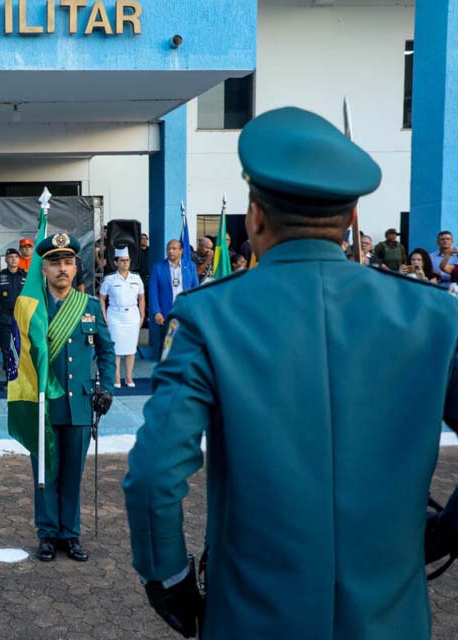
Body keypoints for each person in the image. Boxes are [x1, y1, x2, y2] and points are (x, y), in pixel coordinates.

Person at [122, 106, 458, 640]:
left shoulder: (210, 316)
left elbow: (154, 474)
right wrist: (443, 534)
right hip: (391, 620)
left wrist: (171, 583)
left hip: (251, 617)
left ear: (255, 217)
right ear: (352, 222)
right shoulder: (436, 315)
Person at [30, 232, 115, 563]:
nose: (62, 269)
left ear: (76, 268)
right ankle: (48, 534)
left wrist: (105, 387)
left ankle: (71, 534)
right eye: (55, 264)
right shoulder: (33, 310)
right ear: (44, 270)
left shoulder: (89, 307)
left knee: (71, 474)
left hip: (79, 404)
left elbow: (107, 350)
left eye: (67, 263)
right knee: (45, 475)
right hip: (43, 405)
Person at [99, 247, 145, 388]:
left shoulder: (136, 278)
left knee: (131, 350)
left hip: (132, 314)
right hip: (115, 315)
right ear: (116, 262)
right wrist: (104, 316)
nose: (125, 263)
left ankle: (129, 377)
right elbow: (101, 298)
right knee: (116, 350)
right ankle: (117, 378)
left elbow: (141, 298)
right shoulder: (109, 279)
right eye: (122, 260)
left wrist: (142, 315)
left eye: (127, 260)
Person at [148, 239, 199, 357]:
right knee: (166, 346)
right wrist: (157, 312)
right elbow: (153, 292)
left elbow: (195, 289)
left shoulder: (190, 266)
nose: (170, 251)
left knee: (185, 344)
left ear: (181, 251)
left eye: (174, 248)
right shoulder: (158, 267)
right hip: (166, 313)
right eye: (169, 248)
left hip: (185, 312)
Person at [0, 248, 27, 390]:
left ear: (19, 259)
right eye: (10, 257)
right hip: (6, 317)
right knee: (6, 348)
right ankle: (10, 378)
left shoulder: (26, 276)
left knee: (23, 348)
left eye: (16, 256)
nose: (14, 259)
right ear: (6, 260)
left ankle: (23, 378)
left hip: (23, 318)